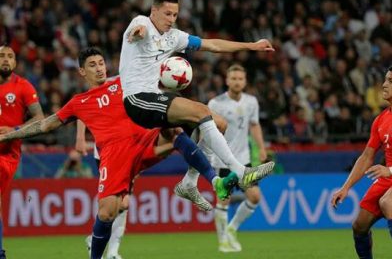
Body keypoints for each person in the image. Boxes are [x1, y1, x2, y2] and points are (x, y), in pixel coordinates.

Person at [0, 47, 238, 259]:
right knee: (108, 212)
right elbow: (45, 125)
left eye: (101, 63)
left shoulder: (125, 82)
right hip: (114, 156)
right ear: (82, 72)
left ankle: (214, 180)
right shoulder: (78, 102)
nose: (99, 68)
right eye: (92, 65)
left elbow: (156, 71)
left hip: (144, 139)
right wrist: (8, 135)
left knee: (174, 131)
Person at [119, 0, 275, 194]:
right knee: (202, 112)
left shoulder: (175, 37)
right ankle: (240, 171)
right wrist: (138, 32)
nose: (171, 19)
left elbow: (213, 45)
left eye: (175, 15)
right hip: (137, 99)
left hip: (154, 97)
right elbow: (139, 30)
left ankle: (194, 182)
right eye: (167, 14)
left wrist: (251, 46)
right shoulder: (142, 22)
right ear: (154, 10)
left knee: (219, 123)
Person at [331, 66, 392, 259]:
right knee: (359, 225)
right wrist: (346, 187)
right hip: (387, 176)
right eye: (386, 79)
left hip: (389, 173)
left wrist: (390, 170)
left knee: (388, 202)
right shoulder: (381, 119)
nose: (384, 85)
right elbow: (366, 156)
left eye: (391, 81)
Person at [208, 64, 268, 252]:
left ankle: (232, 229)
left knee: (255, 197)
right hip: (223, 158)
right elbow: (208, 130)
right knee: (223, 199)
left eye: (240, 79)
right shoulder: (215, 103)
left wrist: (261, 147)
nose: (237, 82)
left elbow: (254, 125)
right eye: (233, 78)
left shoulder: (251, 102)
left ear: (245, 81)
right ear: (227, 81)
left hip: (244, 158)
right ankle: (223, 242)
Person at [0, 45, 44, 259]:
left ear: (16, 62)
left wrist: (14, 130)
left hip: (7, 154)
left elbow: (40, 120)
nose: (6, 60)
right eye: (1, 56)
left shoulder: (23, 86)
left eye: (10, 56)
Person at [75, 120, 126, 259]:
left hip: (129, 142)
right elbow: (82, 105)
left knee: (124, 203)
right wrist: (80, 137)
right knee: (119, 201)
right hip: (108, 145)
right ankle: (109, 250)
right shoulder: (104, 99)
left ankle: (110, 251)